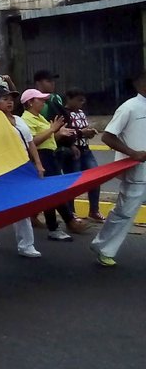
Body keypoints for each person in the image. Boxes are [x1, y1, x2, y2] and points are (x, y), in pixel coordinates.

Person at [90, 72, 146, 267]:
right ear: (141, 84)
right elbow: (107, 137)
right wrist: (132, 152)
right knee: (124, 213)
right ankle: (103, 248)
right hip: (136, 172)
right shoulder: (129, 107)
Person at [20, 89, 88, 241]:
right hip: (42, 156)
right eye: (40, 100)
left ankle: (56, 225)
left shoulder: (40, 118)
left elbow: (49, 138)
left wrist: (59, 133)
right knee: (53, 192)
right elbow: (32, 142)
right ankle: (65, 222)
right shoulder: (26, 120)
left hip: (51, 155)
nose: (43, 103)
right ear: (30, 102)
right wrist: (52, 129)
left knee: (50, 193)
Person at [0, 87, 44, 257]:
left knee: (23, 204)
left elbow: (30, 143)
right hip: (3, 170)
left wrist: (38, 163)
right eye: (4, 99)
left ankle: (26, 245)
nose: (9, 102)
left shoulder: (19, 120)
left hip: (22, 168)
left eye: (11, 98)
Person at [59, 89, 103, 221]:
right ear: (69, 99)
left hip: (85, 148)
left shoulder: (81, 113)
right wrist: (81, 133)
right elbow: (64, 133)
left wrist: (89, 132)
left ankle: (94, 210)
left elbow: (83, 128)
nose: (81, 103)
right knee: (73, 182)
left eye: (83, 100)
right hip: (72, 150)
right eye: (79, 100)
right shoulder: (63, 114)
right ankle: (71, 212)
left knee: (95, 178)